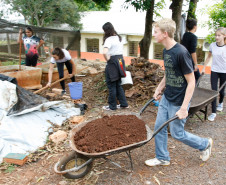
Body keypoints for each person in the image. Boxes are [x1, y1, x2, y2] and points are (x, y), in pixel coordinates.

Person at [145, 18, 212, 167]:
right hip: (167, 98)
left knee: (177, 134)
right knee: (159, 128)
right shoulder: (166, 50)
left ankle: (204, 144)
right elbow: (169, 73)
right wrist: (159, 88)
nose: (154, 34)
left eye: (156, 32)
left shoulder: (181, 53)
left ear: (165, 33)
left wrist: (184, 108)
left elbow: (191, 82)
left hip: (179, 102)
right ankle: (162, 157)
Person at [102, 22, 128, 110]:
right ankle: (123, 104)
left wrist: (107, 59)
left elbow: (105, 52)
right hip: (120, 61)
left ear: (106, 31)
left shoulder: (109, 39)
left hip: (112, 62)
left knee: (111, 85)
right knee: (118, 84)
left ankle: (112, 106)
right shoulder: (119, 38)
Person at [201, 27, 226, 121]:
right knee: (213, 91)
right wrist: (203, 68)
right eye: (216, 35)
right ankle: (213, 112)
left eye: (219, 35)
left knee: (221, 91)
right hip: (214, 70)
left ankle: (220, 102)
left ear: (224, 36)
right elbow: (208, 57)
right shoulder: (212, 45)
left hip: (224, 71)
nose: (217, 37)